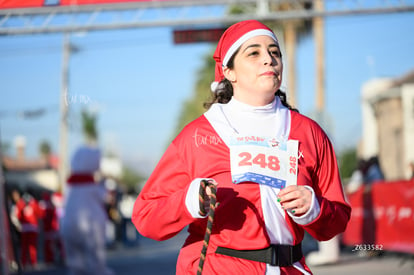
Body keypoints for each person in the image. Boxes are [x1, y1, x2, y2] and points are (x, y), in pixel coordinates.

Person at [132, 20, 351, 274]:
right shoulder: (198, 136)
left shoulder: (309, 133)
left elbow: (337, 221)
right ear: (229, 71)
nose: (268, 59)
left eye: (274, 52)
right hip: (220, 267)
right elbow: (146, 216)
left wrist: (313, 208)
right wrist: (190, 201)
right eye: (254, 53)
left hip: (290, 267)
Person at [60, 145, 114, 275]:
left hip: (69, 224)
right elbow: (106, 197)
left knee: (75, 261)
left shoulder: (70, 185)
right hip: (90, 225)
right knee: (96, 257)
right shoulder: (92, 185)